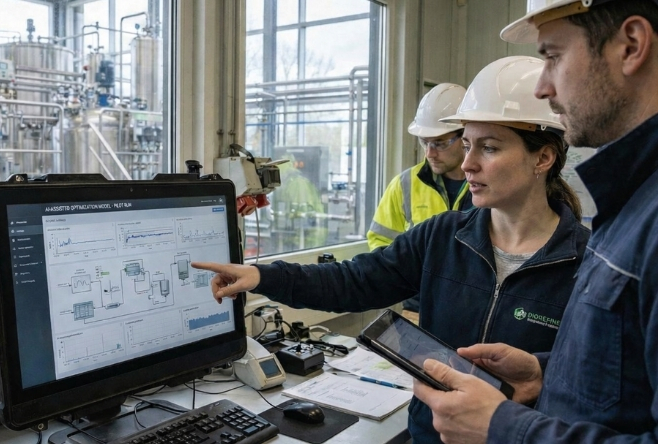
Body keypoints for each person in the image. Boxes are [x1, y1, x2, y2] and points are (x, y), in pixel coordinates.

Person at [193, 55, 589, 444]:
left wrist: (541, 371)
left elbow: (596, 380)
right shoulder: (442, 235)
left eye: (488, 148)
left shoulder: (587, 263)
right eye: (467, 145)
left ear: (543, 157)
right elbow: (353, 281)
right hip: (430, 435)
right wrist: (263, 277)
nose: (468, 164)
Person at [412, 1, 658, 443]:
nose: (544, 87)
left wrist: (504, 427)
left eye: (553, 57)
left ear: (632, 45)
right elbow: (627, 387)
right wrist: (545, 372)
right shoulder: (630, 205)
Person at [367, 83, 472, 316]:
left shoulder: (488, 187)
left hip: (472, 314)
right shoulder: (405, 184)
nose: (429, 153)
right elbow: (381, 242)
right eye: (425, 142)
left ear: (466, 136)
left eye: (439, 143)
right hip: (417, 312)